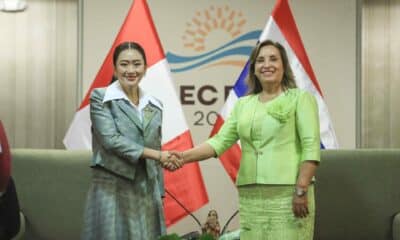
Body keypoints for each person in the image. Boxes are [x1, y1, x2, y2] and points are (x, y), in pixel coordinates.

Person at [172, 39, 320, 239]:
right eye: (260, 60)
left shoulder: (300, 98)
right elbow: (219, 142)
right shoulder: (243, 104)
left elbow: (311, 147)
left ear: (284, 66)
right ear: (254, 69)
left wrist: (301, 189)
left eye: (273, 59)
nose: (266, 65)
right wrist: (182, 156)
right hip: (251, 197)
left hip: (288, 194)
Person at [81, 41, 180, 240]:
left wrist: (159, 192)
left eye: (137, 64)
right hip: (112, 189)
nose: (131, 70)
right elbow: (111, 140)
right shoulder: (100, 98)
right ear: (115, 68)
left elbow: (155, 144)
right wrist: (159, 156)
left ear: (145, 67)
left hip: (147, 191)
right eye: (124, 64)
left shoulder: (155, 104)